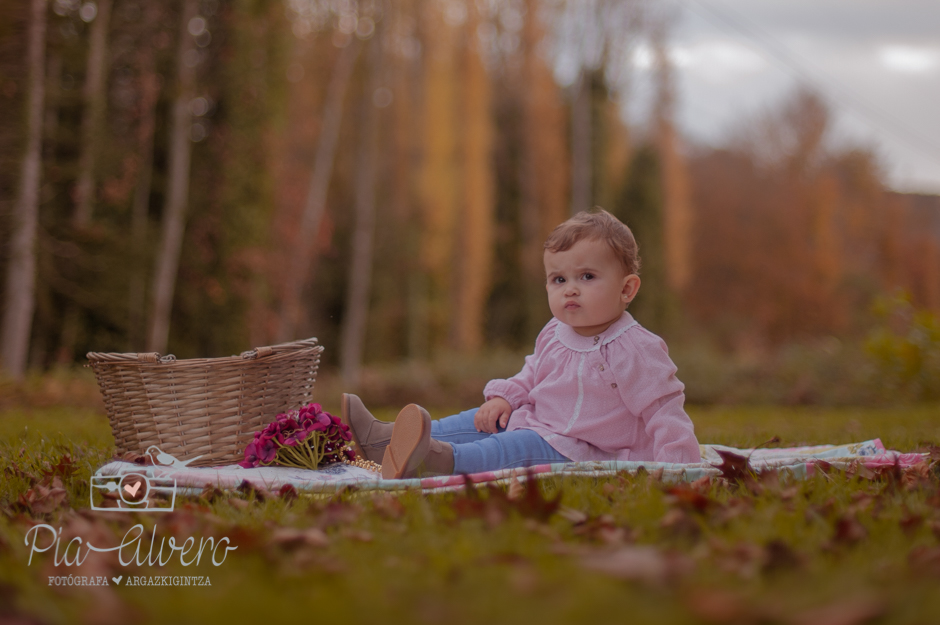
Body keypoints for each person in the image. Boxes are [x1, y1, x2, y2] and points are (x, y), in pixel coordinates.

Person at [341, 209, 701, 480]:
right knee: (478, 421)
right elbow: (532, 373)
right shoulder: (556, 331)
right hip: (538, 422)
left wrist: (679, 469)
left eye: (587, 276)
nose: (570, 289)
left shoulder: (634, 348)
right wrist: (506, 398)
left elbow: (664, 410)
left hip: (583, 448)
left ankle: (436, 461)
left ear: (627, 289)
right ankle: (383, 440)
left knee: (507, 449)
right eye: (558, 279)